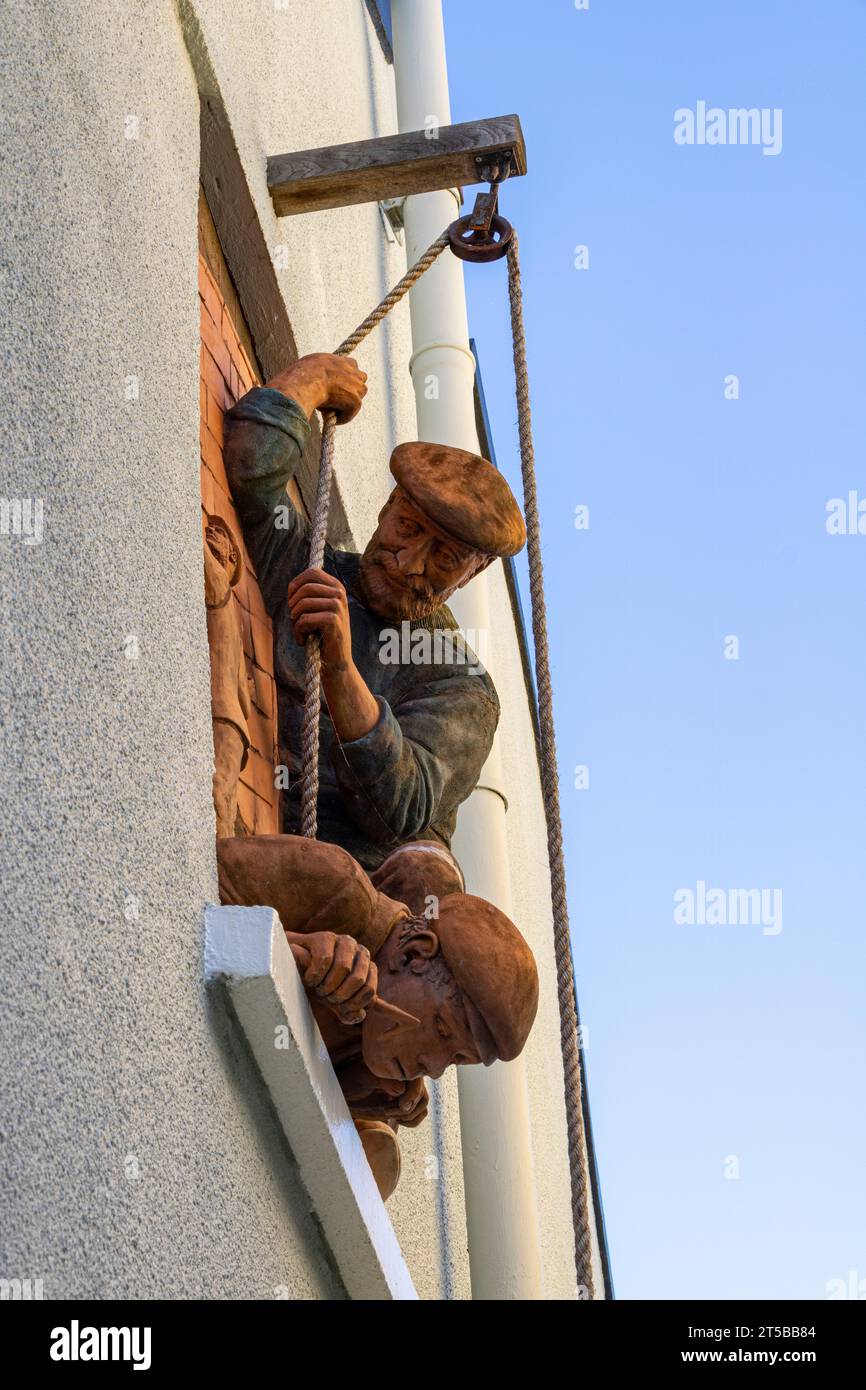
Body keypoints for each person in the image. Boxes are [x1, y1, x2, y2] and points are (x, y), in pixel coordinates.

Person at [223, 353, 526, 870]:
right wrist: (312, 379)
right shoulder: (306, 562)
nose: (411, 563)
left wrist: (340, 670)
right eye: (407, 529)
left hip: (345, 906)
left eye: (445, 559)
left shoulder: (459, 685)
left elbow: (398, 807)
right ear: (386, 509)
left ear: (469, 577)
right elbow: (250, 473)